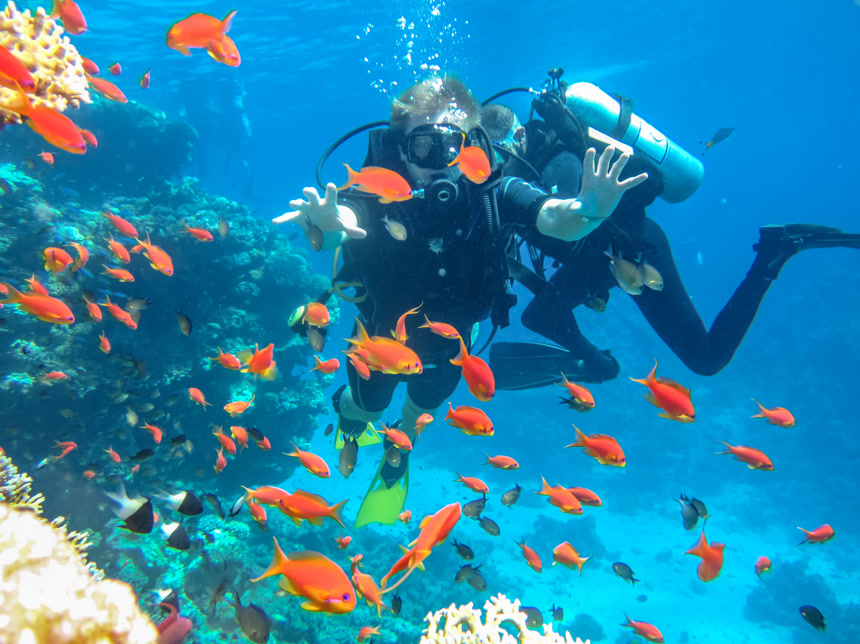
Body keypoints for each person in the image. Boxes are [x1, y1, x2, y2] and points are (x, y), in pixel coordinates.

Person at [273, 75, 646, 526]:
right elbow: (346, 217)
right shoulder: (381, 193)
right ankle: (350, 420)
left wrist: (588, 209)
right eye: (422, 147)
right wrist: (330, 224)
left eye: (448, 145)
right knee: (366, 405)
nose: (436, 163)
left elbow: (552, 217)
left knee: (423, 411)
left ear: (471, 143)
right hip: (378, 341)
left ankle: (399, 451)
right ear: (401, 150)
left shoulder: (494, 193)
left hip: (453, 346)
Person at [481, 86, 860, 388]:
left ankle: (773, 254)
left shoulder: (550, 167)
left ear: (517, 136)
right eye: (492, 158)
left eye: (501, 154)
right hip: (602, 258)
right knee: (541, 314)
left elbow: (569, 230)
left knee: (706, 359)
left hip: (635, 251)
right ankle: (595, 363)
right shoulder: (522, 172)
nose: (499, 166)